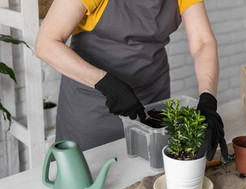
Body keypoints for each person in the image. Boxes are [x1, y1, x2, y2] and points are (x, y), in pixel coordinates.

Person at [35, 0, 228, 161]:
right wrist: (105, 83)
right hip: (92, 104)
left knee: (145, 177)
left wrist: (208, 100)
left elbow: (203, 42)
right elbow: (46, 44)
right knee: (91, 180)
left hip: (152, 101)